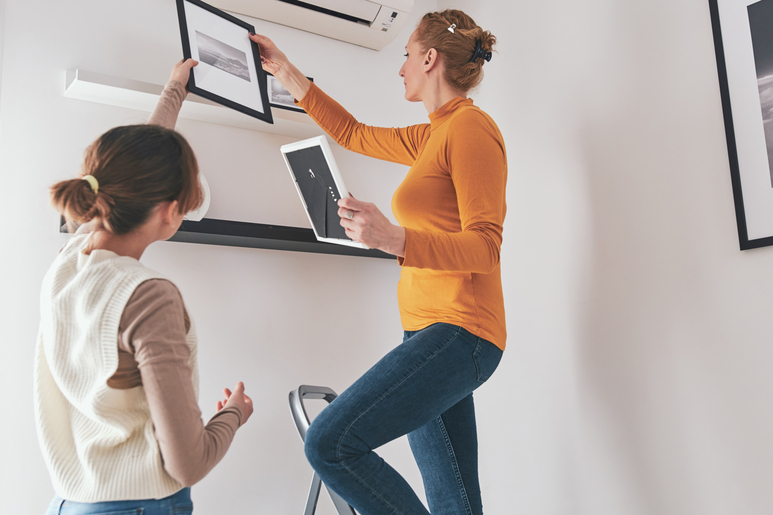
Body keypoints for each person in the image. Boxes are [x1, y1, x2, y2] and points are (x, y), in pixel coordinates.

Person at [250, 8, 506, 515]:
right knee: (454, 503)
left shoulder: (472, 130)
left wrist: (394, 238)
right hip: (426, 332)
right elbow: (353, 133)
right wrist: (285, 70)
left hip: (461, 333)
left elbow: (485, 247)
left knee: (330, 443)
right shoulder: (431, 134)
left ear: (430, 58)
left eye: (407, 55)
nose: (401, 67)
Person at [35, 59, 253, 515]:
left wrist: (175, 90)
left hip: (69, 503)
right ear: (171, 212)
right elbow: (188, 463)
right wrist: (233, 415)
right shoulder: (148, 296)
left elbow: (137, 166)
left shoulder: (69, 262)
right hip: (139, 505)